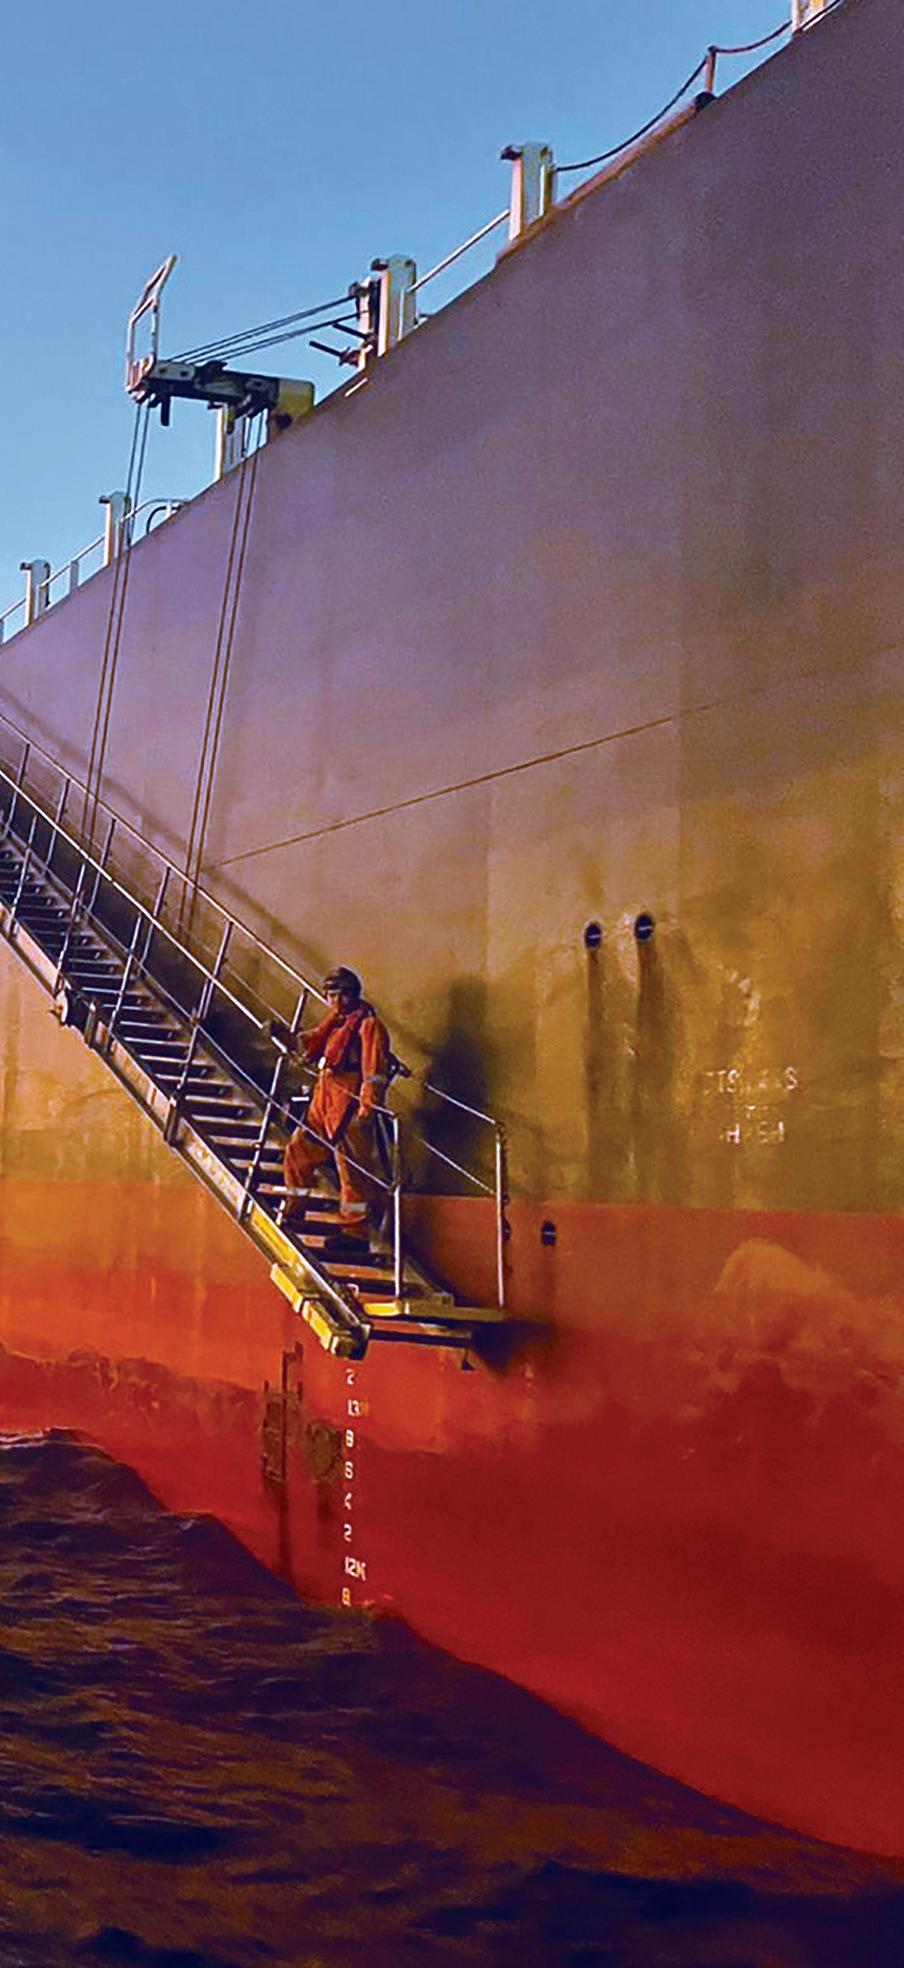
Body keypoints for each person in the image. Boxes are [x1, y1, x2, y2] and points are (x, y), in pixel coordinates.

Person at [282, 966, 391, 1240]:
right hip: (324, 1102)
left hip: (350, 1104)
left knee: (352, 1171)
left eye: (341, 995)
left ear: (353, 995)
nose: (335, 1001)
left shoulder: (368, 1026)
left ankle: (355, 1231)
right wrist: (284, 1036)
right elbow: (310, 1044)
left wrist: (367, 1109)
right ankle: (295, 1208)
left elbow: (374, 1072)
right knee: (298, 1150)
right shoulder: (334, 1024)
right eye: (331, 995)